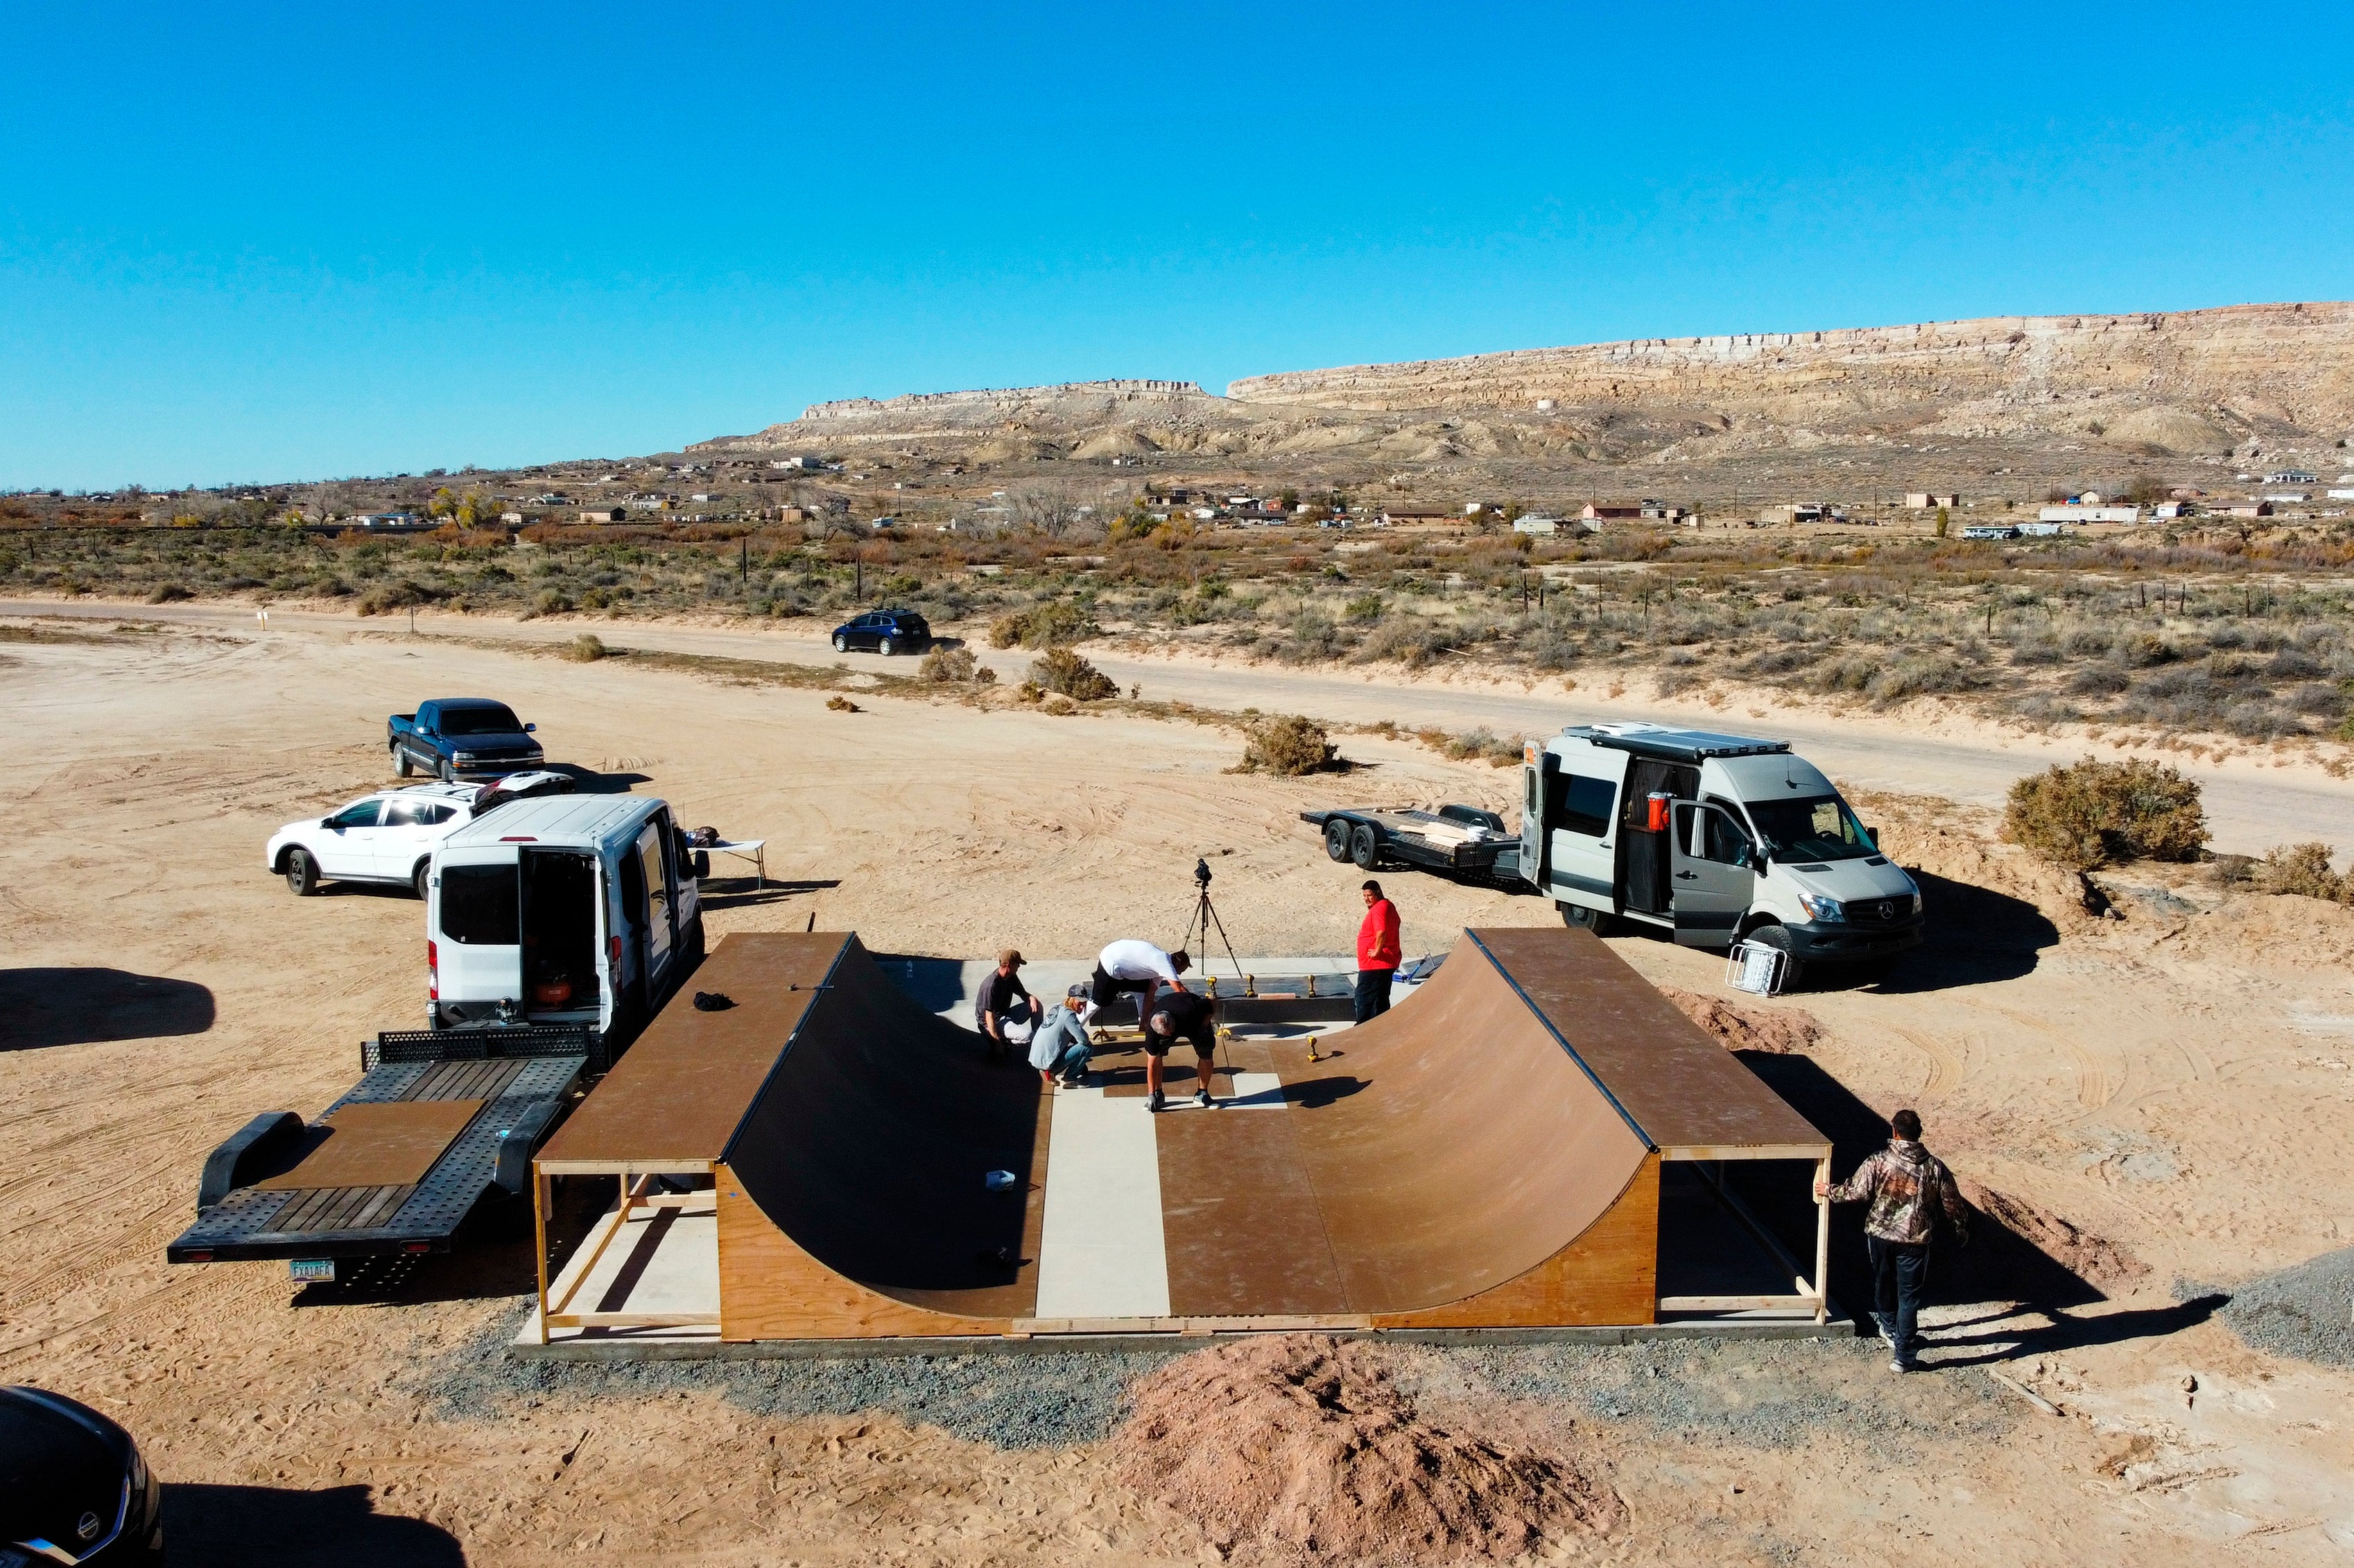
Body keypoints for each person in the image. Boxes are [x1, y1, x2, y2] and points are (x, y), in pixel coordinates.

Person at [1815, 1108, 1970, 1373]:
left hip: (1881, 1237)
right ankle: (1904, 1357)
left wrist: (1829, 1190)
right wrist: (1961, 1230)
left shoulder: (1878, 1160)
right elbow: (1952, 1204)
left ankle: (1888, 1328)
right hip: (1915, 1241)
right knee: (1909, 1297)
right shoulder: (1935, 1167)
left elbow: (1857, 1192)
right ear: (1919, 1133)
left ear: (1894, 1131)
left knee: (1884, 1283)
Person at [1089, 939, 1191, 1034]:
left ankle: (1143, 1025)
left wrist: (1144, 1021)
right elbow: (1180, 990)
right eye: (1182, 970)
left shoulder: (1160, 968)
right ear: (1178, 963)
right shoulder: (1165, 963)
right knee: (1098, 1003)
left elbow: (1150, 993)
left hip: (1122, 968)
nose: (1180, 974)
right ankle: (1079, 1027)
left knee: (1144, 990)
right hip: (1110, 961)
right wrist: (1195, 1006)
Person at [1144, 988, 1220, 1112]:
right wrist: (1150, 1094)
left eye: (1170, 1032)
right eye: (1166, 1035)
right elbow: (1152, 1063)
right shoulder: (1152, 1030)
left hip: (1193, 1022)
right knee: (1157, 1055)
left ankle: (1202, 1094)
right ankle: (1158, 1094)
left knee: (1206, 1054)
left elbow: (1211, 1002)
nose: (1170, 1036)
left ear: (1173, 1024)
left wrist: (1205, 1025)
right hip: (1171, 1012)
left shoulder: (1191, 1010)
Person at [1354, 880, 1401, 1025]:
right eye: (1364, 896)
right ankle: (1380, 1028)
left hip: (1376, 964)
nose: (1366, 899)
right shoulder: (1389, 906)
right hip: (1386, 962)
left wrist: (1377, 951)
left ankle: (1363, 1028)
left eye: (1369, 895)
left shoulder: (1379, 909)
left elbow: (1381, 932)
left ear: (1378, 893)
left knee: (1364, 997)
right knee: (1381, 999)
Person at [1028, 995, 1094, 1089]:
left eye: (1084, 1003)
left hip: (1036, 1058)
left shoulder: (1058, 1007)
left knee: (1073, 1040)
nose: (1082, 1006)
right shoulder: (1069, 1016)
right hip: (1046, 1062)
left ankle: (1047, 1071)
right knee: (1087, 1047)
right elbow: (1084, 1039)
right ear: (1071, 999)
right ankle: (1069, 1079)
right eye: (1079, 1002)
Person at [980, 949, 1035, 1062]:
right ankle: (1004, 1043)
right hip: (993, 1022)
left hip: (1006, 1014)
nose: (1019, 966)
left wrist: (1031, 998)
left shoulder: (1010, 976)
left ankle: (1042, 1040)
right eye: (1017, 964)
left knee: (1036, 1005)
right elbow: (989, 1015)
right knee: (1030, 1036)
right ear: (1009, 964)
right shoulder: (991, 985)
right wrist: (997, 1042)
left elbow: (1023, 994)